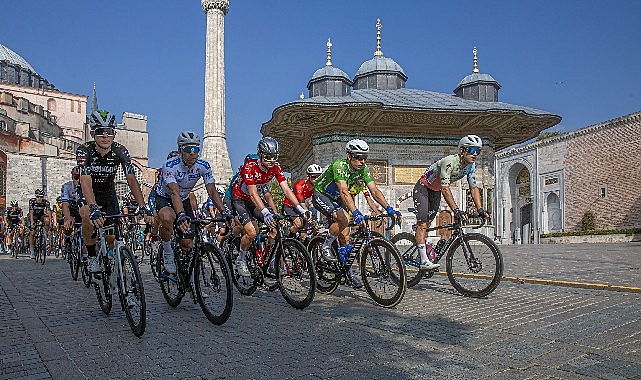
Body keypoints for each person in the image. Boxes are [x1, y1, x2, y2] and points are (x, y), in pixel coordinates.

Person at [312, 138, 401, 288]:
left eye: (364, 158)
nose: (362, 161)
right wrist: (356, 212)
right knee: (345, 218)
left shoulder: (364, 170)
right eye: (358, 157)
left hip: (338, 199)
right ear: (349, 156)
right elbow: (344, 191)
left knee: (345, 236)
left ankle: (347, 272)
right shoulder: (339, 165)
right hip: (323, 195)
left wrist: (389, 208)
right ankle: (325, 245)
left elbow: (374, 191)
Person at [76, 110, 151, 274]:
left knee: (112, 239)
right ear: (92, 133)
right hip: (88, 191)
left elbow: (131, 178)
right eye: (100, 132)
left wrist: (142, 205)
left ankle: (120, 279)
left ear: (114, 134)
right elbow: (85, 180)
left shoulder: (120, 151)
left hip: (108, 193)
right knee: (87, 215)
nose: (105, 136)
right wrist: (93, 206)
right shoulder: (84, 151)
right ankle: (91, 256)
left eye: (109, 132)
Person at [231, 137, 309, 277]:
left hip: (255, 199)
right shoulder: (249, 166)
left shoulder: (276, 167)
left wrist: (300, 209)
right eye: (268, 157)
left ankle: (272, 261)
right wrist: (266, 213)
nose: (272, 160)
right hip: (241, 199)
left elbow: (286, 190)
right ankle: (241, 258)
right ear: (260, 154)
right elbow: (253, 194)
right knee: (252, 232)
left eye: (275, 157)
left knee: (276, 227)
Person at [155, 131, 229, 274]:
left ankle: (187, 274)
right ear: (180, 150)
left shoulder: (203, 165)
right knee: (168, 217)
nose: (193, 153)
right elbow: (174, 192)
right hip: (165, 197)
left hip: (183, 199)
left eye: (196, 149)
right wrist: (181, 214)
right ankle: (168, 251)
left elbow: (212, 191)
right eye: (189, 150)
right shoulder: (170, 165)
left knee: (187, 244)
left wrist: (224, 211)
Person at [412, 134, 490, 270]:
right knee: (423, 224)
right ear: (462, 151)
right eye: (472, 150)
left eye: (478, 151)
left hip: (435, 191)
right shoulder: (449, 162)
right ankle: (424, 260)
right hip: (423, 188)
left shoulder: (471, 166)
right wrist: (456, 210)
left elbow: (473, 188)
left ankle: (425, 245)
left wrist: (480, 209)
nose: (475, 154)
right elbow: (445, 189)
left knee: (429, 224)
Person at [282, 163, 322, 239]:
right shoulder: (299, 185)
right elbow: (301, 203)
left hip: (301, 207)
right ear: (308, 177)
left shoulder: (316, 187)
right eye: (314, 176)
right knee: (298, 224)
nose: (316, 179)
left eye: (319, 176)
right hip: (289, 206)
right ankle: (289, 237)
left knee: (303, 236)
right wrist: (308, 213)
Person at [61, 166, 83, 256]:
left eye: (80, 178)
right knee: (68, 223)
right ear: (72, 177)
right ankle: (67, 241)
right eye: (76, 177)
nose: (77, 181)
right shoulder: (66, 186)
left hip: (81, 207)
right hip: (71, 207)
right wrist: (68, 217)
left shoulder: (85, 185)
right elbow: (65, 205)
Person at [27, 189, 51, 259]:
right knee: (32, 233)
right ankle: (32, 251)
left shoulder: (46, 202)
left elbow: (49, 211)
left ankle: (44, 235)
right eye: (38, 197)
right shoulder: (32, 201)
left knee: (47, 220)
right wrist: (32, 222)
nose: (39, 198)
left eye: (41, 197)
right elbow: (31, 212)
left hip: (41, 215)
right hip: (33, 216)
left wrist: (50, 221)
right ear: (35, 196)